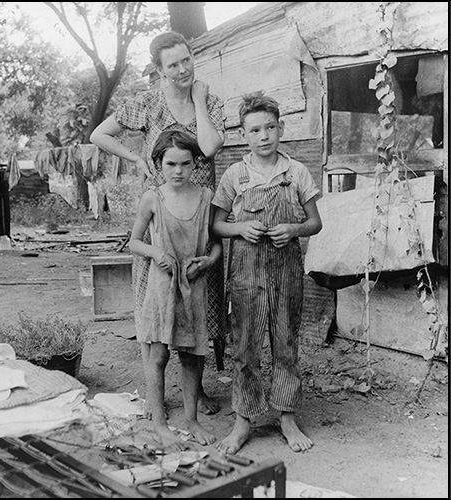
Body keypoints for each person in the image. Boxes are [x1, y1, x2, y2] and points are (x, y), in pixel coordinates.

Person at [90, 31, 225, 415]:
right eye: (173, 65)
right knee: (158, 302)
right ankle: (156, 395)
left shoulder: (209, 101)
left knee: (199, 301)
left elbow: (211, 147)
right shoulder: (147, 103)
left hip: (199, 217)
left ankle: (194, 392)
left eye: (186, 60)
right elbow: (99, 134)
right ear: (158, 70)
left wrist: (196, 99)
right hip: (161, 217)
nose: (183, 70)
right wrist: (135, 158)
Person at [211, 92, 323, 454]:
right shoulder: (235, 175)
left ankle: (286, 416)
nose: (264, 136)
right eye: (255, 129)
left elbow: (315, 223)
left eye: (270, 128)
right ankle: (243, 421)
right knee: (245, 347)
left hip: (286, 270)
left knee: (286, 343)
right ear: (244, 134)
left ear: (281, 128)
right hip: (245, 273)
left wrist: (293, 229)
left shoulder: (297, 172)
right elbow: (216, 225)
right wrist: (239, 229)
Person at [128, 130, 222, 450]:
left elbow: (217, 245)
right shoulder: (153, 198)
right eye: (170, 164)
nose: (178, 171)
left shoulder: (206, 196)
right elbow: (134, 241)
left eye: (185, 163)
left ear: (195, 164)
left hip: (193, 285)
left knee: (193, 356)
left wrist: (207, 262)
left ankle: (192, 420)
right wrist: (156, 253)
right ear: (158, 164)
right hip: (162, 285)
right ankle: (159, 424)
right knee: (159, 353)